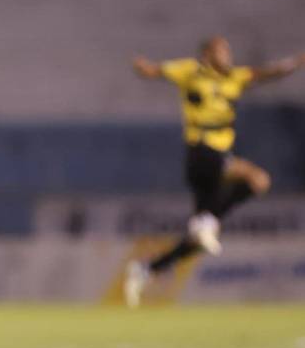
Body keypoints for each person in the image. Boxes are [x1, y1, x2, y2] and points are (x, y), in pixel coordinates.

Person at [124, 36, 305, 308]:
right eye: (222, 50)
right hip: (202, 152)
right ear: (207, 54)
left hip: (214, 162)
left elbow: (270, 73)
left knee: (197, 242)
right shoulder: (190, 71)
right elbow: (156, 71)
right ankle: (206, 221)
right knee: (258, 178)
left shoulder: (236, 77)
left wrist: (297, 61)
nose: (228, 54)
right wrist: (142, 67)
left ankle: (146, 270)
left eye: (228, 50)